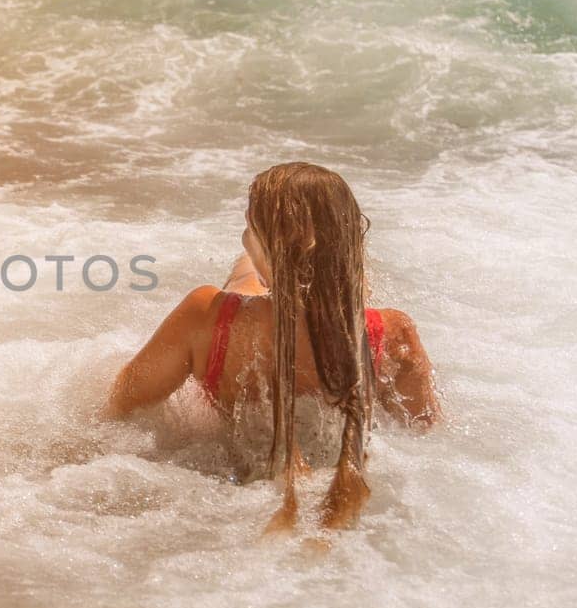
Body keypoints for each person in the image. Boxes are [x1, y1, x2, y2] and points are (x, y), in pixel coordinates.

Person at [104, 162, 438, 532]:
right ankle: (318, 275)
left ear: (263, 240)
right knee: (280, 283)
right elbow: (422, 429)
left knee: (244, 277)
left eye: (250, 229)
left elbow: (124, 403)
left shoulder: (204, 317)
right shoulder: (392, 334)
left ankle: (270, 269)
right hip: (335, 484)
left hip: (230, 499)